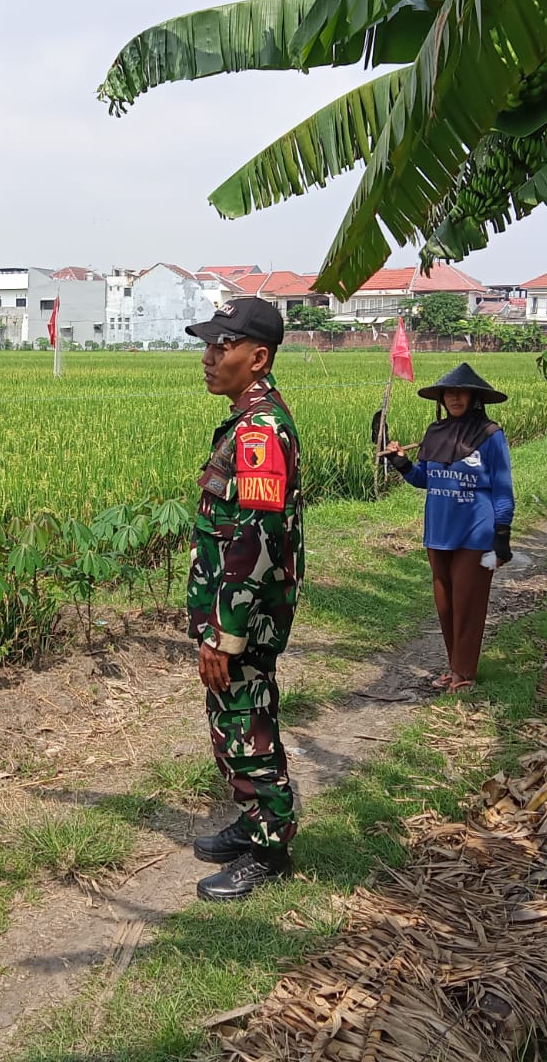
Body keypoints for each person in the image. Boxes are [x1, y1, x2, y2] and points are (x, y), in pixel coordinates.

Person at [182, 297, 305, 902]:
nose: (208, 358)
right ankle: (254, 820)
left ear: (257, 358)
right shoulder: (246, 418)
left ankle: (270, 848)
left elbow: (257, 536)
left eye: (220, 346)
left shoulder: (259, 430)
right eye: (207, 345)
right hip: (236, 609)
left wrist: (223, 633)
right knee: (233, 718)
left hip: (244, 615)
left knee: (247, 721)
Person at [381, 362, 515, 695]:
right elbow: (424, 479)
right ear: (441, 398)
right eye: (449, 393)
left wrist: (502, 535)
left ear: (474, 397)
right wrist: (400, 462)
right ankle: (454, 665)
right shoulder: (434, 433)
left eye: (461, 392)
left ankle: (464, 674)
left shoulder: (490, 435)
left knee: (469, 602)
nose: (455, 397)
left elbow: (502, 488)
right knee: (445, 605)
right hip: (438, 530)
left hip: (477, 532)